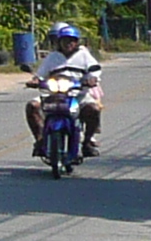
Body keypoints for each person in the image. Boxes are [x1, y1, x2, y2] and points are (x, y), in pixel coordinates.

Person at [25, 21, 105, 156]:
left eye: (72, 41)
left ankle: (87, 142)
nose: (68, 44)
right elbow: (40, 74)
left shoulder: (83, 55)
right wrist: (35, 81)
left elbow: (94, 69)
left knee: (94, 109)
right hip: (53, 95)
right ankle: (40, 140)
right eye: (65, 40)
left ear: (77, 42)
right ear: (59, 41)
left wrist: (91, 78)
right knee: (32, 106)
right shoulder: (52, 57)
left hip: (78, 95)